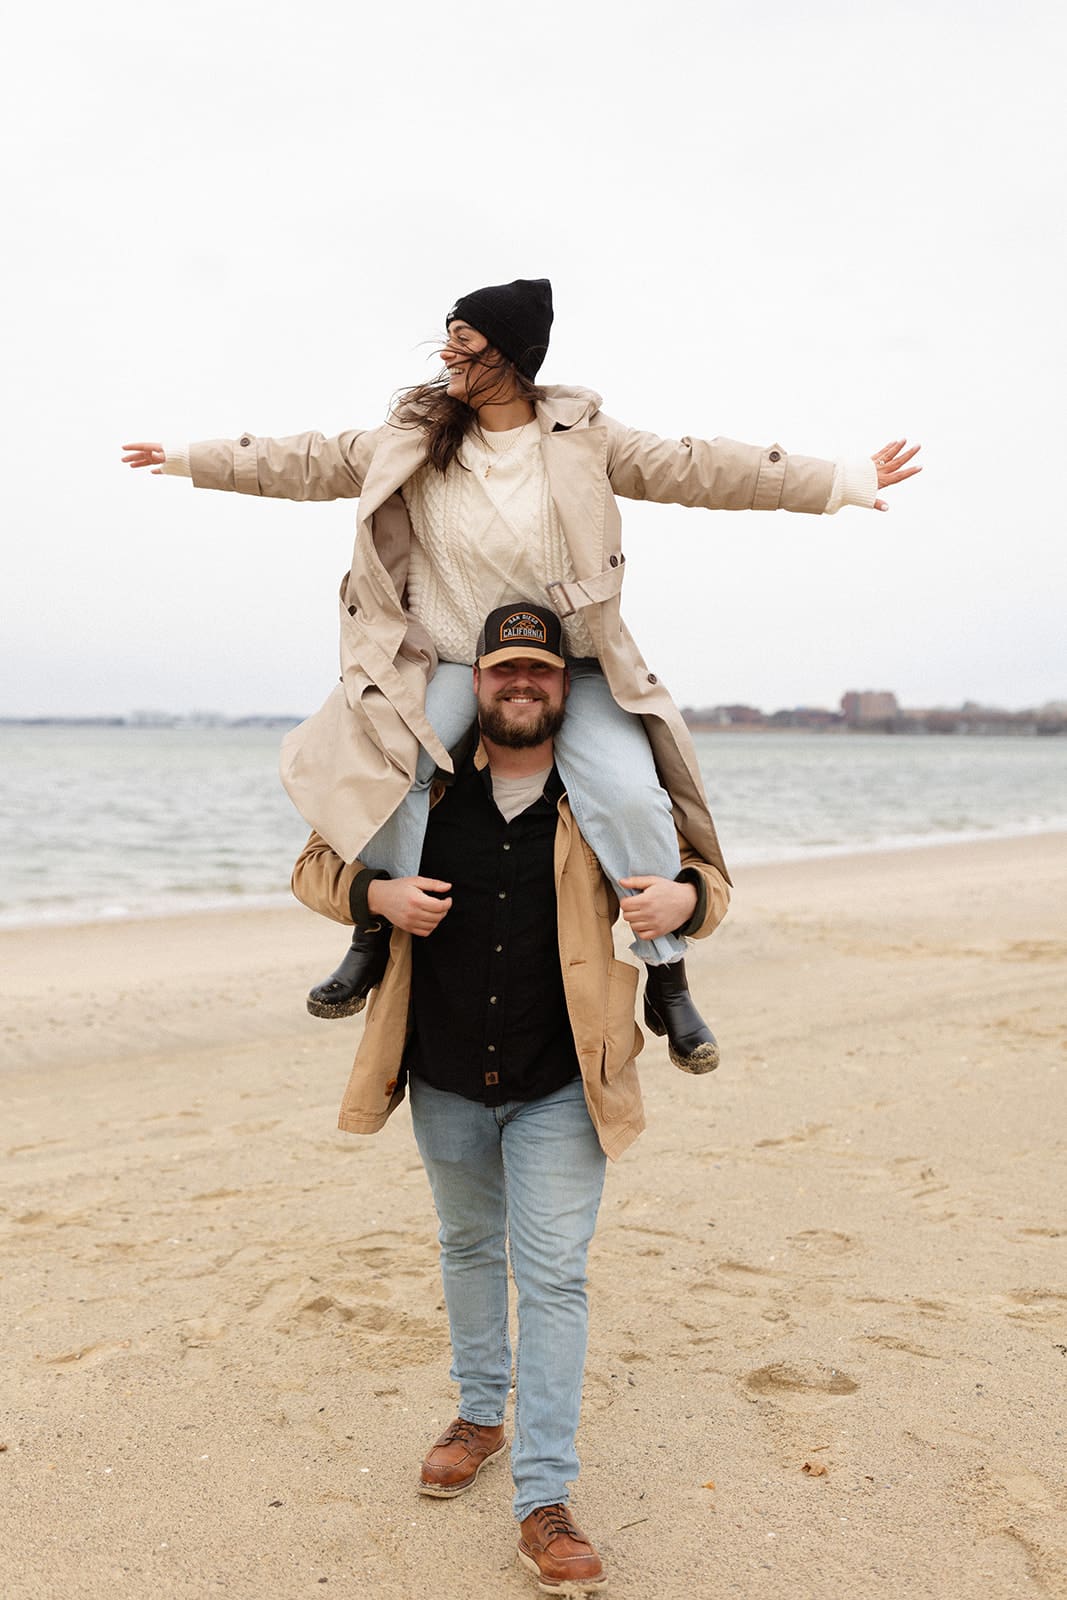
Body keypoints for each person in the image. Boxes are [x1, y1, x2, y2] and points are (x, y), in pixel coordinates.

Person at [123, 277, 919, 1072]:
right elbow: (308, 460)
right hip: (448, 654)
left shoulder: (584, 436)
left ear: (509, 355)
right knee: (391, 770)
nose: (446, 354)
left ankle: (667, 971)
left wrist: (840, 481)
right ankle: (374, 931)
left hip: (569, 657)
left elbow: (703, 468)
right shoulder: (413, 436)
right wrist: (192, 458)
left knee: (629, 793)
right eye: (446, 338)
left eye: (462, 341)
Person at [288, 601, 732, 1594]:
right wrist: (375, 898)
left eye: (537, 670)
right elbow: (313, 865)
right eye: (502, 672)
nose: (519, 684)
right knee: (462, 1246)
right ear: (474, 685)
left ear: (562, 687)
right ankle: (478, 1412)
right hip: (441, 1073)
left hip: (561, 1084)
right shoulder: (426, 795)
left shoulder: (599, 800)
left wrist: (686, 903)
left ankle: (543, 1498)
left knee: (555, 1276)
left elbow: (707, 876)